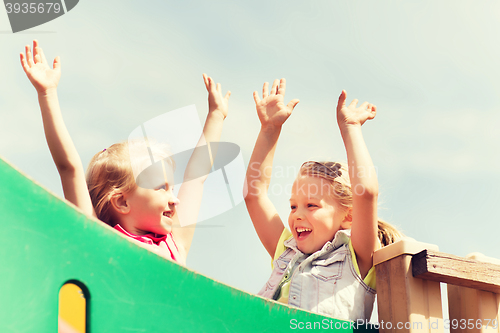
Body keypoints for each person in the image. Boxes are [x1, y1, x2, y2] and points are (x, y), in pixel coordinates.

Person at [20, 40, 230, 265]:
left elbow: (196, 178)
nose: (175, 199)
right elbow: (68, 167)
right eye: (161, 188)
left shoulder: (175, 244)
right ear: (121, 202)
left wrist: (216, 116)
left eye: (171, 188)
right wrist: (47, 93)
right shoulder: (100, 239)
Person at [244, 78, 401, 320]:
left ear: (348, 216)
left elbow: (366, 193)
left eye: (311, 206)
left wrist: (350, 129)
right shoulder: (287, 251)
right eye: (293, 206)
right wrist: (269, 130)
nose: (297, 214)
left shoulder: (357, 257)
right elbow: (254, 195)